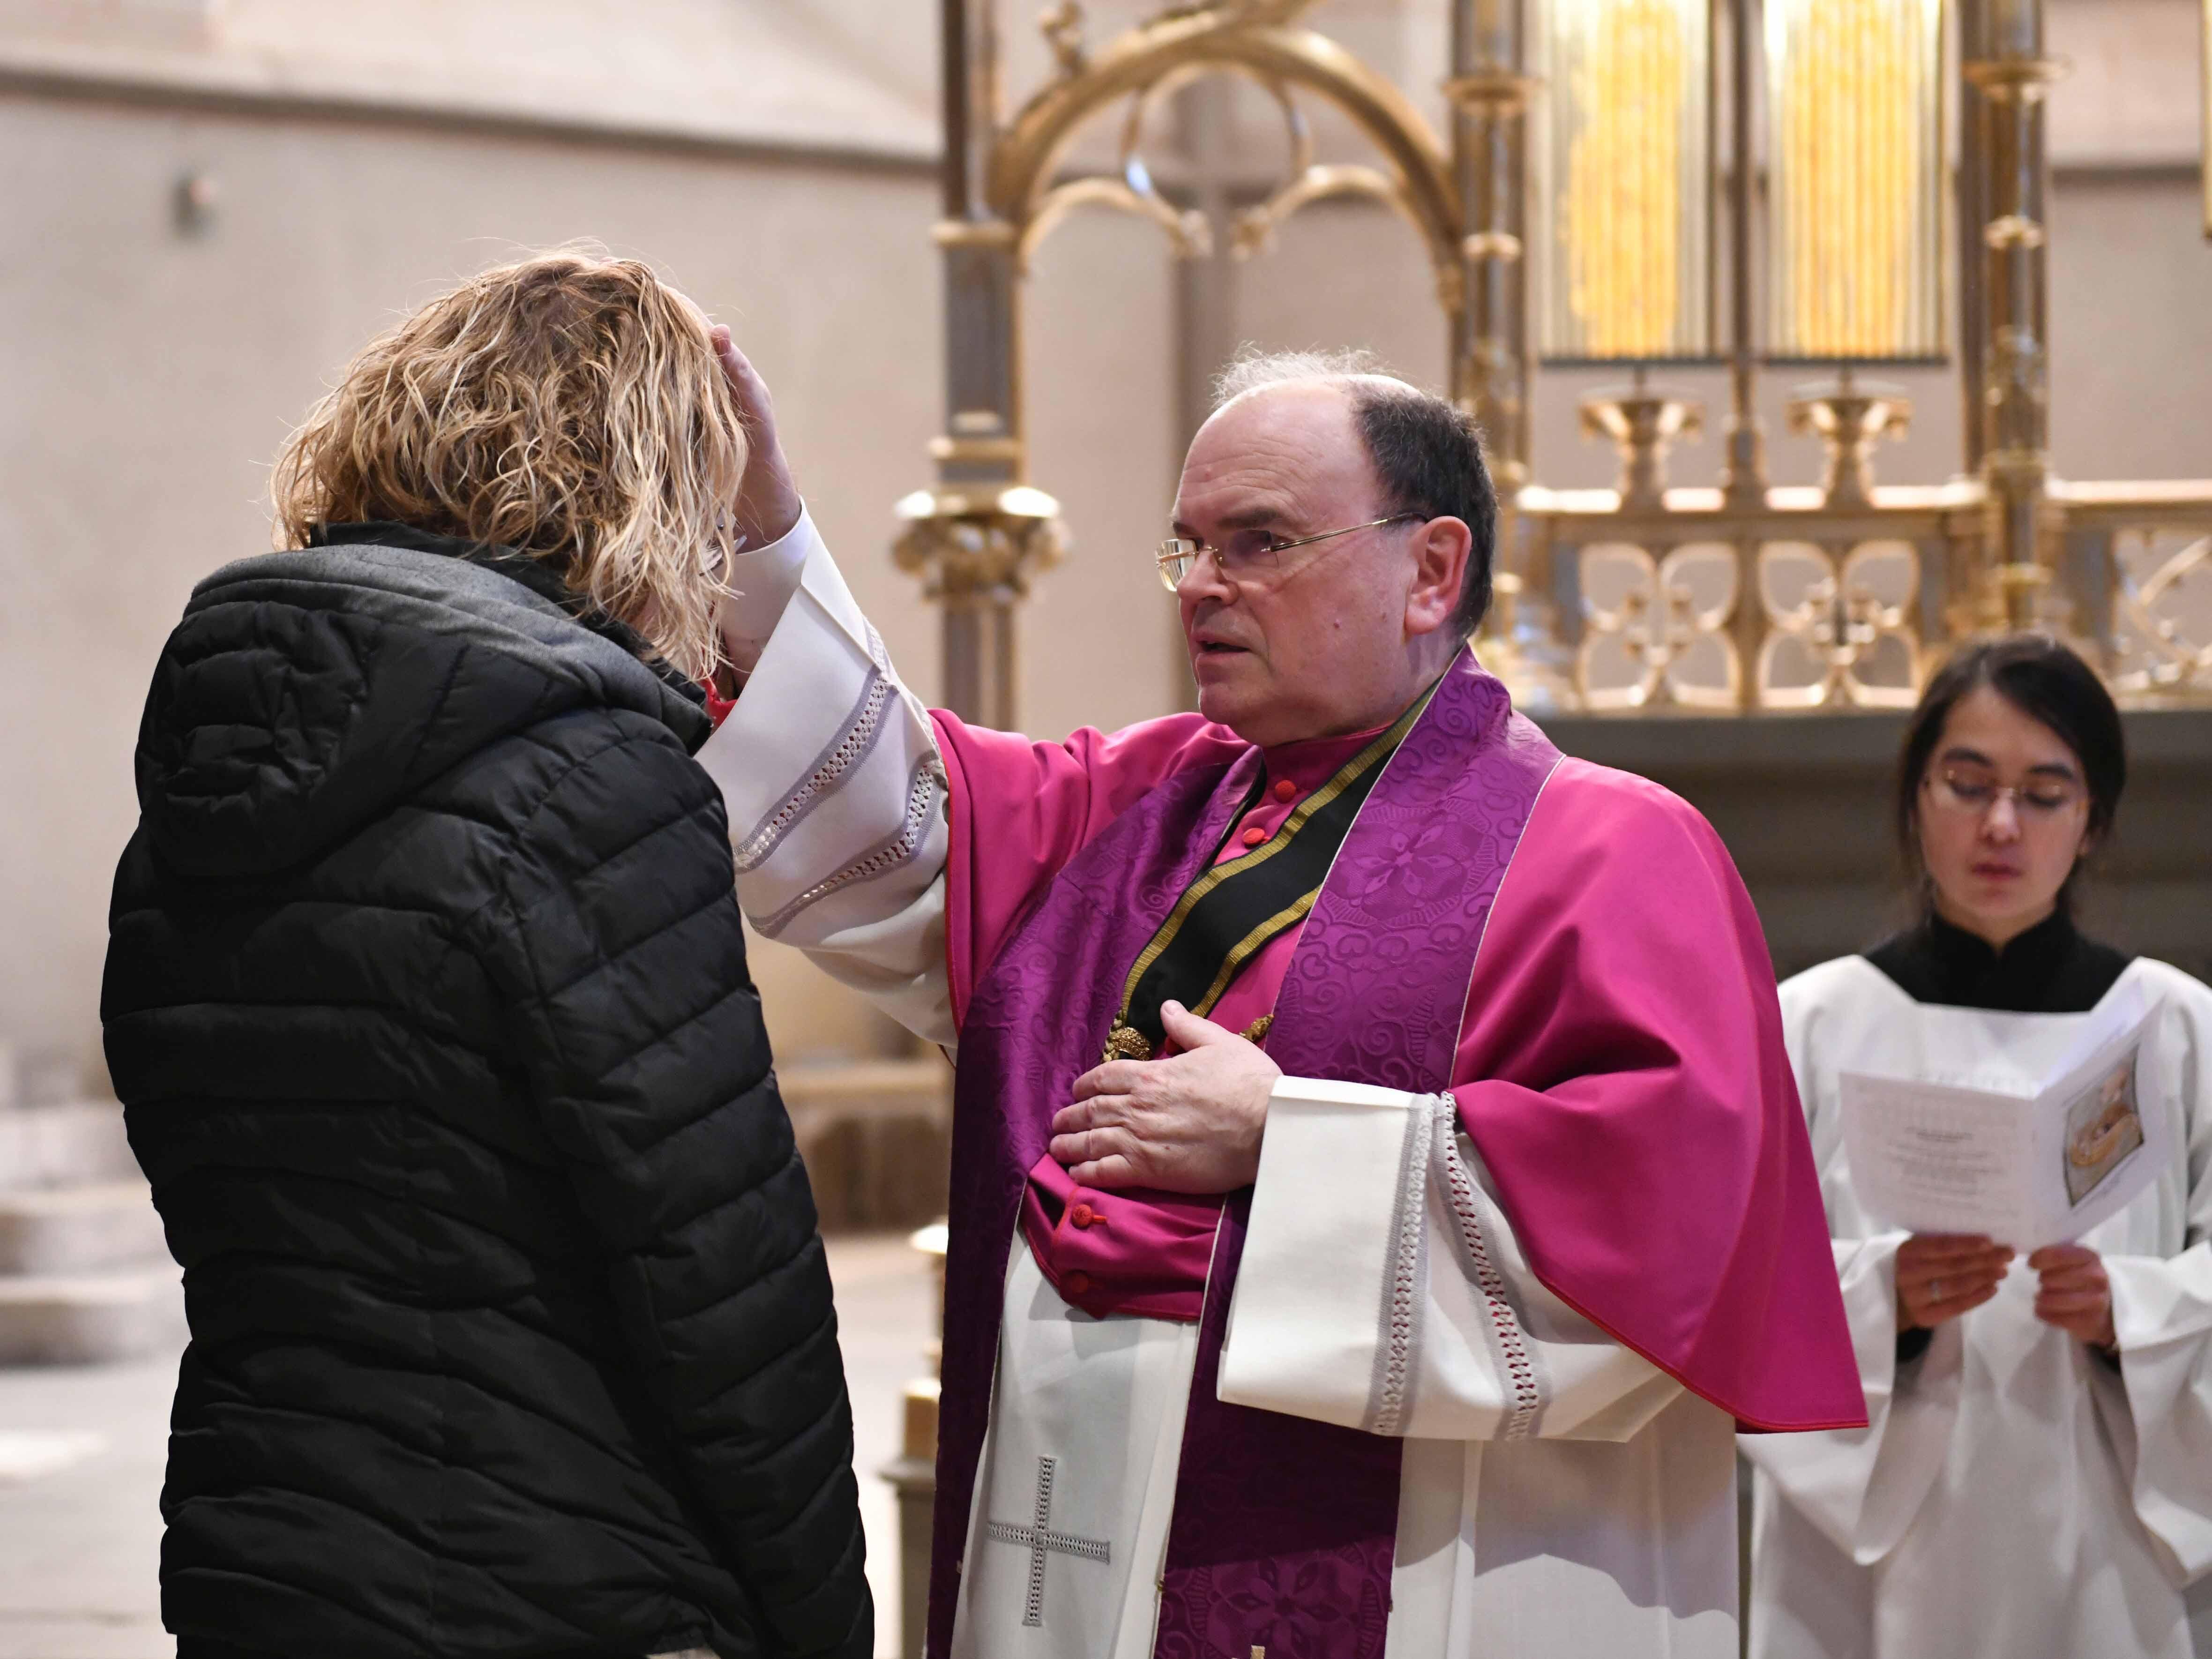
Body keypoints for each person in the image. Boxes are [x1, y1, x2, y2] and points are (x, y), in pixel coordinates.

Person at [698, 343, 1863, 1659]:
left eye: (1259, 541)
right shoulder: (1146, 806)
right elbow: (903, 834)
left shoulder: (1610, 853)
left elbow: (1672, 1231)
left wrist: (1291, 1134)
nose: (1201, 585)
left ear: (1432, 570)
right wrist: (764, 532)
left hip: (1431, 1567)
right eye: (1188, 545)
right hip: (1077, 1540)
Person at [102, 252, 871, 1659]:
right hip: (566, 1579)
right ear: (640, 484)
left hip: (262, 1550)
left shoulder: (212, 774)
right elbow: (721, 1273)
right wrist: (822, 1621)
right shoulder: (587, 779)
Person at [1742, 636, 2212, 1659]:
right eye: (1967, 784)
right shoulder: (1807, 1025)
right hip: (1860, 1560)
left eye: (2045, 793)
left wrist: (2127, 1315)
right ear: (1915, 797)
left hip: (2105, 1527)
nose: (2000, 824)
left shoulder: (2174, 1029)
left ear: (2092, 823)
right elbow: (1730, 1278)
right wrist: (1883, 1301)